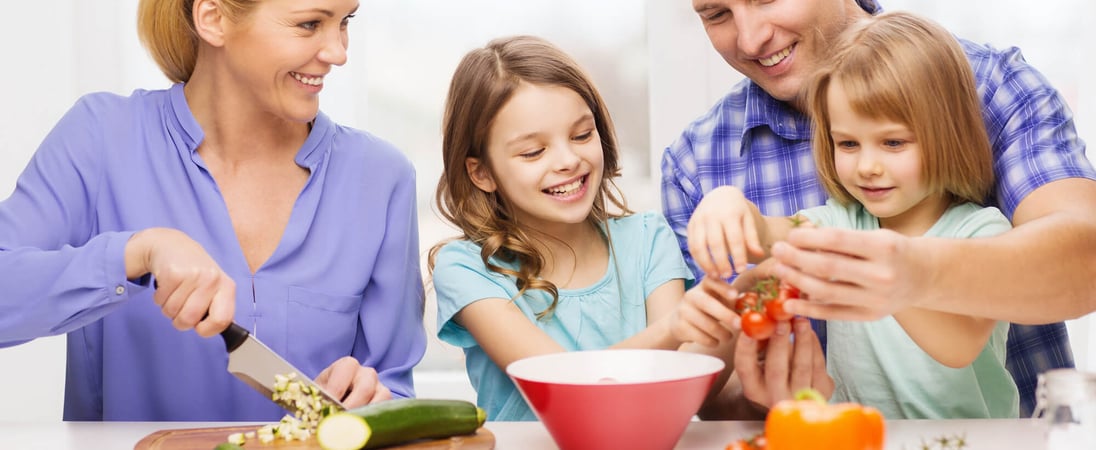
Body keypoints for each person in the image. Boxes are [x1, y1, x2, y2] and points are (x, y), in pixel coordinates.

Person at [664, 0, 1096, 418]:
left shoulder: (982, 226)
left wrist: (905, 275)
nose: (868, 167)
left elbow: (959, 345)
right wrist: (728, 204)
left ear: (948, 138)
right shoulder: (843, 219)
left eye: (892, 143)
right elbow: (768, 231)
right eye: (847, 144)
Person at [0, 0, 426, 421]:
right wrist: (136, 252)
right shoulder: (101, 138)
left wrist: (375, 400)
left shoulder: (381, 179)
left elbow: (395, 388)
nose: (338, 52)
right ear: (213, 18)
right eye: (310, 24)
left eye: (344, 21)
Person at [428, 35, 758, 421]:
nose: (568, 160)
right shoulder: (466, 269)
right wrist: (674, 328)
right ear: (481, 172)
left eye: (582, 135)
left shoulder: (648, 239)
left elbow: (687, 389)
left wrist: (739, 303)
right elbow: (561, 386)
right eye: (534, 152)